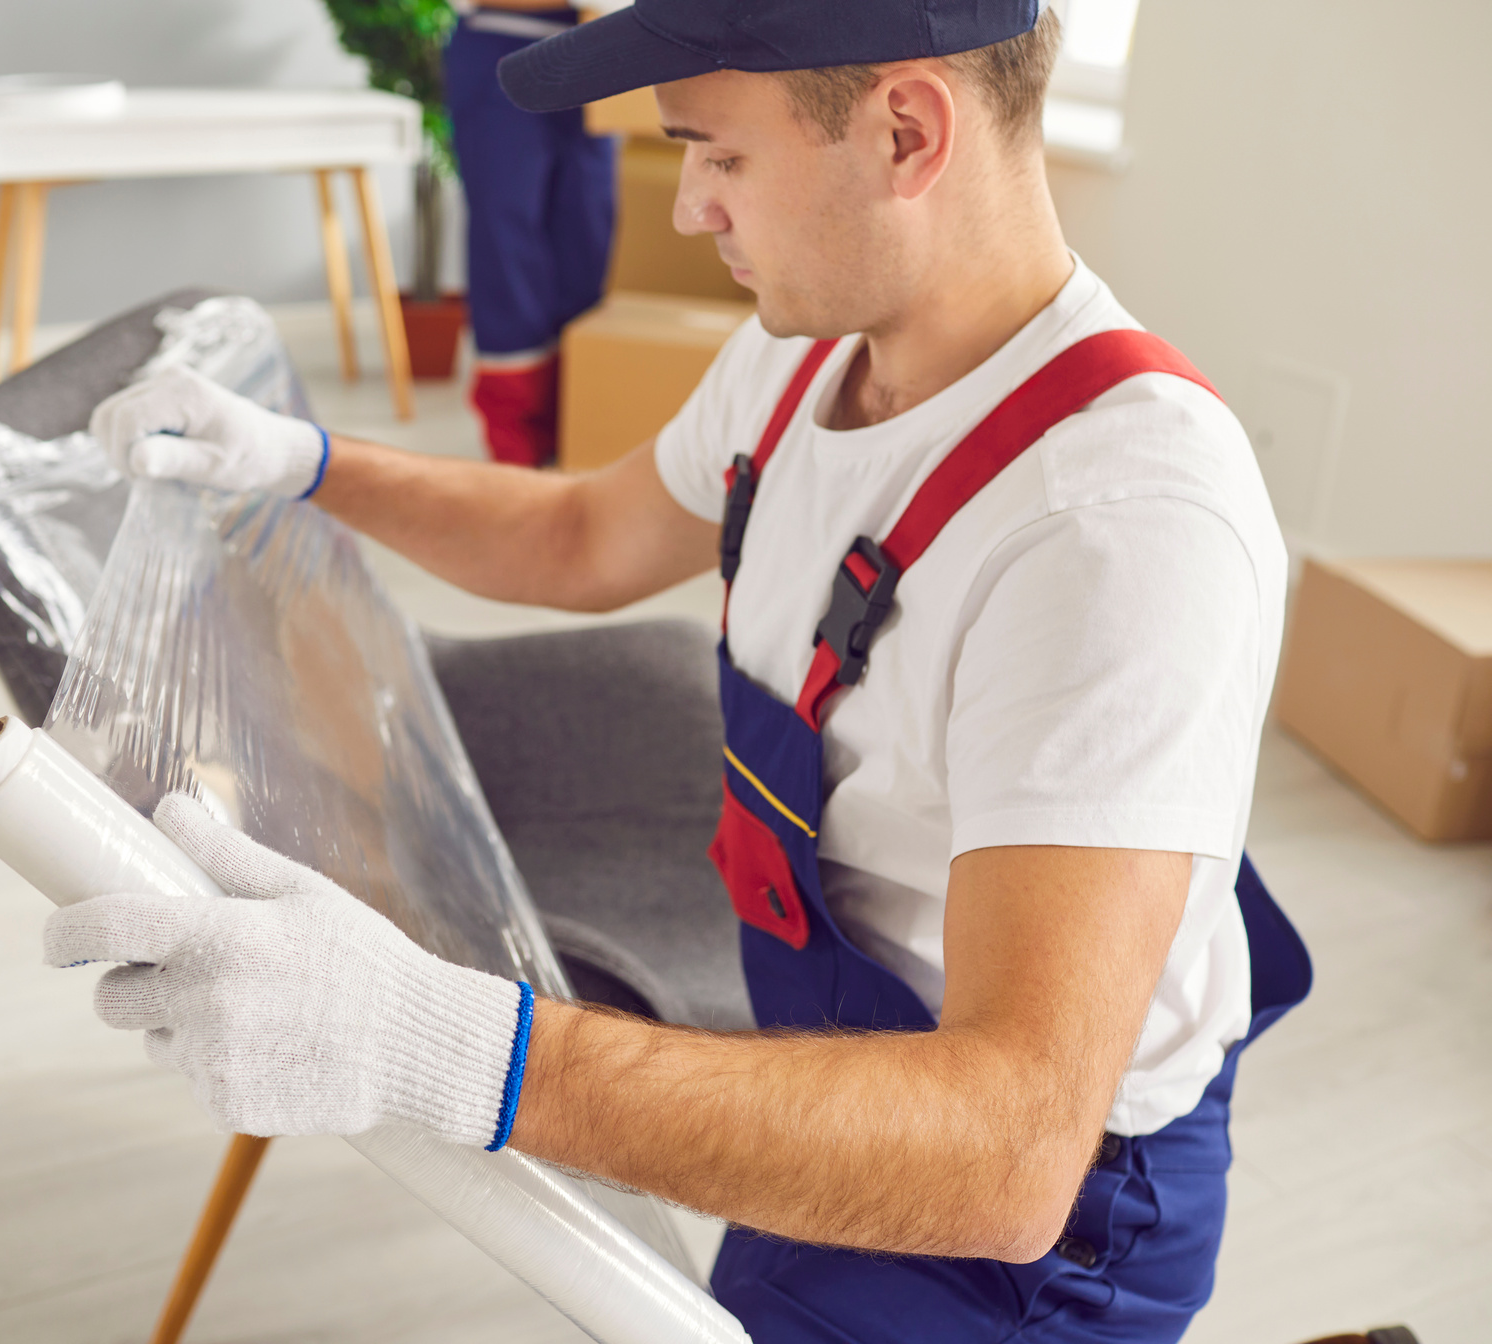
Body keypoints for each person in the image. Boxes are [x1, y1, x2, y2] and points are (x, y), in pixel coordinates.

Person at [69, 1, 1312, 1338]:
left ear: (905, 132)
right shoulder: (805, 360)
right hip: (848, 1080)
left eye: (718, 157)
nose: (688, 210)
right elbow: (581, 533)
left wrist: (441, 1044)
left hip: (1031, 1242)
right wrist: (304, 464)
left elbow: (1008, 1152)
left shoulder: (1113, 527)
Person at [443, 0, 620, 466]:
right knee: (509, 240)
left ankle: (574, 423)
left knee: (588, 235)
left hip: (599, 51)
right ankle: (514, 427)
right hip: (502, 45)